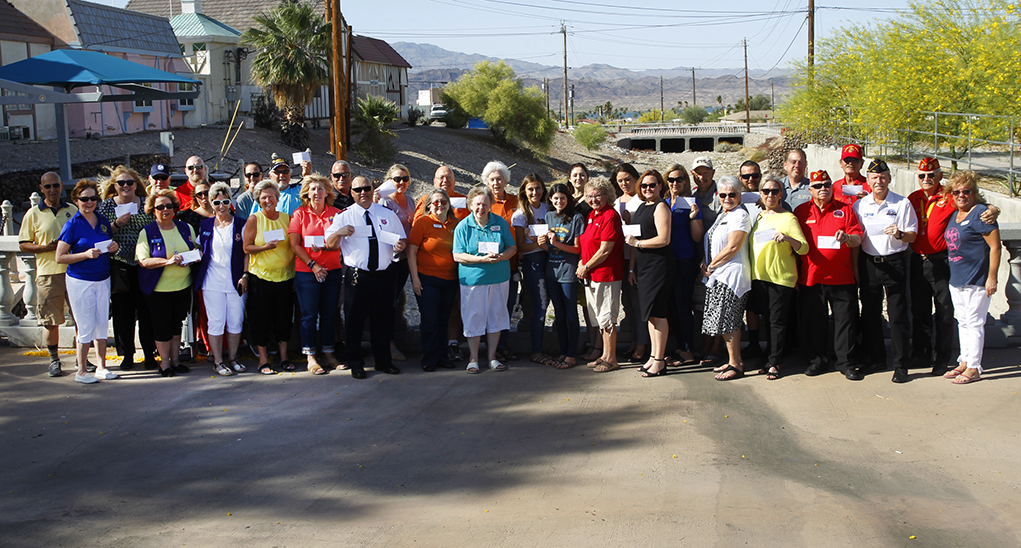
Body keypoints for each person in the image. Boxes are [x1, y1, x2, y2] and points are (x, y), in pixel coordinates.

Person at [907, 157, 999, 375]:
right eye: (922, 175)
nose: (927, 179)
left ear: (940, 176)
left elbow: (979, 206)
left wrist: (994, 209)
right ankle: (922, 355)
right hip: (918, 261)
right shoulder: (913, 198)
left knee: (945, 314)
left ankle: (944, 359)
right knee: (920, 312)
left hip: (942, 263)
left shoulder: (949, 197)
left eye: (931, 175)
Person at [327, 176, 408, 379]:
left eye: (366, 188)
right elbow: (329, 243)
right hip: (358, 276)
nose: (363, 192)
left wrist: (400, 246)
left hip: (384, 275)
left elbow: (401, 238)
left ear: (373, 189)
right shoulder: (344, 216)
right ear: (352, 193)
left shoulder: (386, 214)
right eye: (358, 189)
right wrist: (340, 233)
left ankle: (384, 361)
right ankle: (355, 362)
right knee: (354, 320)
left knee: (383, 320)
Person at [852, 159, 918, 383]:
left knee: (898, 315)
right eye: (874, 178)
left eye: (882, 177)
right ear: (868, 181)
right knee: (870, 314)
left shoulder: (901, 203)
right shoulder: (860, 206)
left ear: (889, 178)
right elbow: (855, 235)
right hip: (869, 262)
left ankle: (901, 365)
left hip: (894, 262)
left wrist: (899, 234)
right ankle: (876, 358)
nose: (878, 181)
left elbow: (912, 235)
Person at [795, 170, 864, 380]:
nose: (822, 189)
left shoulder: (845, 210)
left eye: (826, 185)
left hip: (841, 277)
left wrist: (847, 237)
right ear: (810, 190)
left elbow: (857, 238)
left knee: (846, 322)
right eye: (817, 185)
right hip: (812, 278)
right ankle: (818, 361)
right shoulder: (801, 212)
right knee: (816, 322)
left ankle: (846, 362)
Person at [55, 180, 119, 383]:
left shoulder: (101, 221)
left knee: (101, 322)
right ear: (76, 200)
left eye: (93, 198)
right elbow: (60, 256)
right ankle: (81, 370)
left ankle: (101, 367)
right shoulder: (72, 225)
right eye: (84, 199)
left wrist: (113, 247)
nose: (89, 202)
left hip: (103, 278)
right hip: (80, 280)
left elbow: (109, 242)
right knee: (85, 325)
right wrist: (84, 255)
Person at [452, 184, 517, 373]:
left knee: (496, 315)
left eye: (485, 204)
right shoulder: (463, 226)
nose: (481, 208)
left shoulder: (500, 223)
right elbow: (458, 255)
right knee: (474, 317)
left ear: (490, 205)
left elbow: (512, 247)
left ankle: (492, 357)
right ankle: (473, 358)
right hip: (473, 281)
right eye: (478, 204)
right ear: (471, 205)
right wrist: (481, 259)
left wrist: (502, 256)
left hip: (498, 278)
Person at [97, 165, 158, 371]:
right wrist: (117, 224)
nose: (125, 186)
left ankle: (149, 353)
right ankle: (127, 355)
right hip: (120, 264)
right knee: (123, 314)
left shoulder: (146, 204)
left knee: (147, 312)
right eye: (121, 183)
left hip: (144, 265)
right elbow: (100, 232)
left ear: (136, 185)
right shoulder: (107, 206)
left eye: (129, 183)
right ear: (115, 186)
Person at [943, 171, 1000, 384]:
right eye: (956, 192)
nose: (961, 195)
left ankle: (975, 367)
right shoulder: (955, 214)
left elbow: (995, 247)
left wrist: (991, 278)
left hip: (977, 279)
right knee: (963, 322)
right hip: (957, 279)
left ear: (975, 193)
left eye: (966, 191)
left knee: (975, 323)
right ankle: (965, 361)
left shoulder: (981, 213)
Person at [749, 175, 808, 380]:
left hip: (781, 278)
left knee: (777, 322)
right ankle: (770, 357)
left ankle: (775, 362)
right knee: (767, 319)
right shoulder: (758, 217)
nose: (770, 195)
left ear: (781, 194)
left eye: (775, 191)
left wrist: (789, 239)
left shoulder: (788, 218)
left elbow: (804, 247)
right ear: (761, 194)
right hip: (760, 277)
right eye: (766, 191)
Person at [18, 172, 77, 377]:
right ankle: (54, 360)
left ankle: (82, 357)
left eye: (55, 186)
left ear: (61, 186)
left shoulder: (73, 210)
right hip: (48, 274)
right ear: (41, 189)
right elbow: (24, 245)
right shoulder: (33, 214)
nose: (52, 190)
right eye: (48, 186)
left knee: (79, 317)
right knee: (51, 321)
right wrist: (46, 248)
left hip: (74, 272)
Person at [136, 189, 197, 377]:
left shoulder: (186, 227)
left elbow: (196, 249)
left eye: (169, 205)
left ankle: (176, 360)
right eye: (160, 207)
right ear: (153, 210)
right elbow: (143, 261)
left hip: (182, 287)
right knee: (162, 327)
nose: (165, 209)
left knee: (176, 325)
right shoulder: (147, 232)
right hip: (159, 290)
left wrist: (192, 258)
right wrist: (167, 261)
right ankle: (165, 364)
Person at [288, 175, 343, 375]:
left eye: (321, 189)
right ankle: (310, 357)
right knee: (309, 315)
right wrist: (313, 265)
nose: (317, 193)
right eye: (313, 189)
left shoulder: (336, 214)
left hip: (333, 271)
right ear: (306, 193)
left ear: (327, 192)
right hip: (306, 272)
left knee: (329, 314)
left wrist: (326, 250)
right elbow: (295, 245)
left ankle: (329, 355)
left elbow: (338, 243)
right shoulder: (299, 214)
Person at [701, 176, 752, 381]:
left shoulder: (739, 215)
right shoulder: (724, 214)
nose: (728, 198)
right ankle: (732, 360)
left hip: (731, 275)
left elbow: (732, 247)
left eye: (732, 194)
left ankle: (737, 364)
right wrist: (705, 263)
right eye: (723, 195)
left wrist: (711, 265)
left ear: (740, 195)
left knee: (729, 320)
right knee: (726, 321)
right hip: (719, 275)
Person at [195, 182, 248, 376]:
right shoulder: (205, 225)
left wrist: (245, 275)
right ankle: (218, 361)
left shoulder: (241, 224)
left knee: (235, 321)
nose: (221, 206)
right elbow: (200, 249)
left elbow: (247, 253)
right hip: (212, 283)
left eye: (225, 201)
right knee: (216, 322)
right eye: (217, 202)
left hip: (235, 281)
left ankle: (233, 358)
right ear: (211, 203)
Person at [243, 180, 295, 375]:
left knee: (283, 318)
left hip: (285, 277)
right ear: (258, 199)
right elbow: (246, 247)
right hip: (261, 278)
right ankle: (263, 360)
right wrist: (265, 247)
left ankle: (284, 357)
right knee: (261, 319)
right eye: (264, 197)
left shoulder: (286, 218)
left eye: (271, 196)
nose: (268, 200)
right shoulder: (254, 219)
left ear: (277, 198)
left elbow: (294, 245)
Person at [625, 170, 674, 377]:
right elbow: (635, 240)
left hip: (658, 267)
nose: (648, 189)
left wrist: (639, 243)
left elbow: (664, 239)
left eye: (652, 185)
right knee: (651, 316)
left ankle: (660, 360)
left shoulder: (661, 207)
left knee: (659, 314)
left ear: (661, 186)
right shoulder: (642, 207)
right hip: (643, 269)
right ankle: (653, 357)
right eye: (644, 186)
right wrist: (632, 268)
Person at [577, 177, 626, 373]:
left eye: (598, 195)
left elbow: (606, 249)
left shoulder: (610, 216)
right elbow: (586, 243)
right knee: (599, 318)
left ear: (608, 195)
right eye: (590, 196)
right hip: (592, 275)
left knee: (608, 317)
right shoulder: (592, 215)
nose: (594, 199)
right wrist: (583, 263)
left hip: (606, 275)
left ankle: (612, 358)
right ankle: (604, 355)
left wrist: (586, 265)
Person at [408, 188, 459, 371]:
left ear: (449, 204)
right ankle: (429, 358)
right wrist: (415, 279)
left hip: (450, 280)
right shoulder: (422, 223)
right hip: (427, 279)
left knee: (444, 319)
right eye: (435, 202)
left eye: (443, 201)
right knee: (430, 319)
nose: (439, 205)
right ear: (429, 205)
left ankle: (442, 356)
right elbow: (411, 251)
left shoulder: (456, 224)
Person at [538, 183, 586, 368]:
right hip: (552, 272)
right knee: (559, 315)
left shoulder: (576, 218)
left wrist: (555, 243)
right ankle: (563, 352)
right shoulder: (548, 217)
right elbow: (547, 248)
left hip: (568, 273)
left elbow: (576, 249)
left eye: (563, 198)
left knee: (571, 315)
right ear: (550, 199)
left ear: (569, 199)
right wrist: (540, 242)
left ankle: (571, 355)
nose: (559, 201)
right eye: (556, 198)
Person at [663, 164, 704, 366]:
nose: (675, 183)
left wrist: (694, 217)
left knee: (683, 305)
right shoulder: (663, 203)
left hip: (685, 260)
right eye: (671, 180)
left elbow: (697, 237)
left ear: (686, 181)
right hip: (667, 262)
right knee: (671, 306)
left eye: (679, 179)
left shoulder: (691, 203)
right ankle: (678, 347)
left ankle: (687, 349)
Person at [512, 174, 552, 366]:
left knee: (551, 303)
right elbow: (520, 246)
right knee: (541, 306)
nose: (534, 192)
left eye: (537, 188)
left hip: (551, 258)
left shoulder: (548, 208)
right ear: (524, 191)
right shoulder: (520, 215)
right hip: (533, 261)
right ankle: (537, 350)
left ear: (543, 189)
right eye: (530, 189)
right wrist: (537, 244)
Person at [482, 160, 520, 362]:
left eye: (499, 179)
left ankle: (501, 345)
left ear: (506, 180)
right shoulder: (483, 203)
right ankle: (490, 348)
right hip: (489, 266)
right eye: (492, 179)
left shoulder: (516, 201)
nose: (496, 183)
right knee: (488, 308)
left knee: (506, 307)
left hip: (511, 264)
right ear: (487, 181)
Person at [378, 163, 416, 362]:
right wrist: (395, 243)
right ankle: (389, 345)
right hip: (391, 260)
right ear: (389, 181)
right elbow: (380, 230)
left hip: (406, 259)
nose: (401, 182)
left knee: (398, 301)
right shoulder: (384, 203)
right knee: (389, 302)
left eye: (404, 179)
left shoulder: (410, 200)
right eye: (396, 179)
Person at [612, 162, 648, 362]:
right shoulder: (617, 201)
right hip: (621, 258)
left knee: (638, 303)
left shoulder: (642, 200)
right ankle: (635, 339)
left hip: (638, 259)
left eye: (627, 179)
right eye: (620, 181)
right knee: (628, 304)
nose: (624, 183)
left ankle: (642, 344)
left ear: (636, 179)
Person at [568, 163, 601, 362]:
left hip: (589, 258)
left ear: (587, 177)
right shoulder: (565, 200)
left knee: (591, 306)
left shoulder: (592, 200)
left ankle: (597, 343)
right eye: (575, 175)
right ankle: (591, 342)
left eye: (582, 175)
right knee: (580, 304)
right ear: (570, 178)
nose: (578, 178)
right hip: (569, 259)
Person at [690, 156, 723, 227]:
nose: (702, 177)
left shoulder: (722, 196)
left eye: (706, 173)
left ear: (713, 173)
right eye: (698, 173)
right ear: (692, 174)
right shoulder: (691, 194)